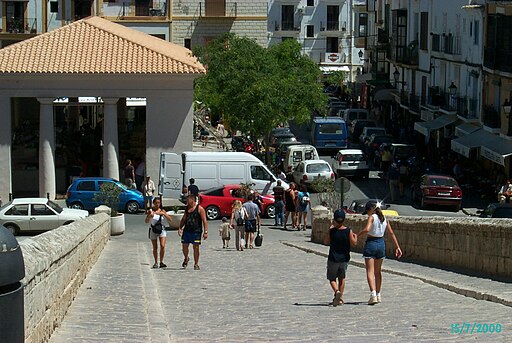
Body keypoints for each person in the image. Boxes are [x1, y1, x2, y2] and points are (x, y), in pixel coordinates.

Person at [357, 201, 402, 305]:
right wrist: (397, 247)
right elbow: (391, 233)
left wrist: (357, 235)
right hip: (381, 244)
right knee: (378, 272)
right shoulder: (384, 218)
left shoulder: (372, 217)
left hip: (371, 243)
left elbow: (367, 229)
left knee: (370, 271)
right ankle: (378, 293)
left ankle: (373, 295)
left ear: (370, 210)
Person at [323, 209, 357, 306]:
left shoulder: (332, 231)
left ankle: (336, 291)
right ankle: (340, 299)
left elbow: (325, 242)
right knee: (342, 278)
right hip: (344, 258)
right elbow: (354, 243)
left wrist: (328, 231)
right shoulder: (348, 231)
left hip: (333, 258)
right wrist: (355, 237)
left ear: (334, 219)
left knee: (332, 278)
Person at [178, 195, 208, 270]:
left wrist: (205, 232)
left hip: (196, 231)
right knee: (184, 246)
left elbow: (204, 221)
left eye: (188, 200)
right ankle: (186, 258)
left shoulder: (200, 209)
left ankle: (196, 263)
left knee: (196, 247)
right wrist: (180, 228)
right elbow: (183, 219)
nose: (187, 202)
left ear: (192, 200)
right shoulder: (187, 208)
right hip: (187, 230)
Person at [145, 198, 172, 269]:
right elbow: (146, 221)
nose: (157, 204)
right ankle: (156, 262)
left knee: (162, 245)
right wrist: (149, 216)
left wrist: (164, 214)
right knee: (155, 247)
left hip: (162, 229)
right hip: (153, 229)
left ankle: (161, 261)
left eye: (159, 203)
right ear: (153, 203)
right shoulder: (151, 211)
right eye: (156, 203)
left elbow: (170, 219)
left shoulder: (162, 210)